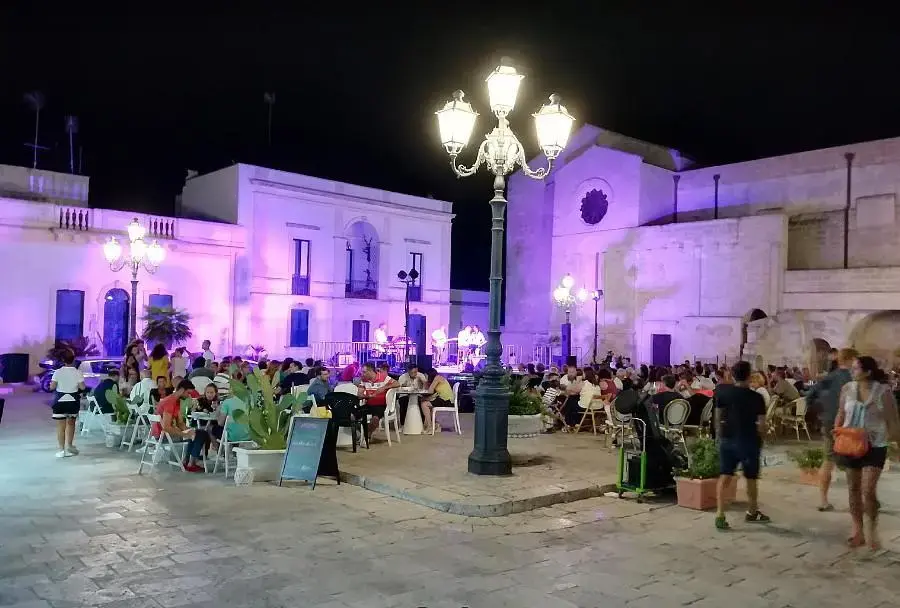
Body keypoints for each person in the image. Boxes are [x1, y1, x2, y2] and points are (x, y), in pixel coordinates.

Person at [834, 356, 900, 550]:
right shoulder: (847, 389)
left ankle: (872, 529)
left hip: (874, 445)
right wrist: (836, 428)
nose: (852, 371)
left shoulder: (883, 392)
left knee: (868, 490)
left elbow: (892, 420)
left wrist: (897, 444)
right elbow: (841, 412)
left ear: (868, 372)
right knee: (853, 488)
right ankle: (857, 531)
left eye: (855, 368)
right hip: (850, 443)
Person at [714, 360, 769, 530]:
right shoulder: (757, 397)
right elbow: (761, 424)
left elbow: (717, 418)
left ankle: (720, 514)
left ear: (732, 374)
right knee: (751, 478)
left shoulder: (722, 393)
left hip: (727, 439)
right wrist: (762, 437)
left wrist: (719, 435)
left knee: (725, 475)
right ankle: (752, 511)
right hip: (749, 440)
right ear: (749, 375)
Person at [808, 347, 856, 511]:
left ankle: (823, 500)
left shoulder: (828, 377)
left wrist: (820, 411)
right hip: (849, 425)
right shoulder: (853, 379)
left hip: (829, 423)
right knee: (854, 463)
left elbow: (810, 395)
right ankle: (857, 500)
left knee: (828, 460)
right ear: (851, 360)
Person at [153, 379, 208, 473]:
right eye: (188, 393)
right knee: (202, 435)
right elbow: (166, 427)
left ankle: (188, 461)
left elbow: (180, 423)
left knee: (199, 433)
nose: (188, 396)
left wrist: (189, 431)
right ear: (182, 390)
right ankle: (191, 462)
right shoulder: (170, 402)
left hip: (166, 433)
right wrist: (184, 434)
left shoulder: (176, 401)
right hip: (164, 436)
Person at [50, 349, 86, 458]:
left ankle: (61, 450)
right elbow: (82, 387)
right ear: (73, 359)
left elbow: (52, 387)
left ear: (62, 360)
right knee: (71, 424)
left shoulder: (58, 372)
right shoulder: (77, 372)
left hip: (60, 401)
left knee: (61, 426)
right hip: (73, 401)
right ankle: (70, 445)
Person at [421, 368, 453, 433]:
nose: (425, 377)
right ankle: (433, 424)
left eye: (426, 375)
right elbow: (432, 393)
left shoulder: (437, 378)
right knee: (424, 401)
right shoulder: (436, 378)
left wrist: (425, 382)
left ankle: (430, 426)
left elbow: (430, 391)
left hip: (446, 401)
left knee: (424, 404)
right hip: (444, 399)